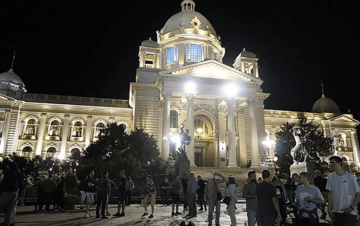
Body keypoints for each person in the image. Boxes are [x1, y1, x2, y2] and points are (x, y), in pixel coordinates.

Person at [326, 156, 360, 226]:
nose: (331, 165)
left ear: (339, 163)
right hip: (336, 211)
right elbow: (330, 193)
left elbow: (358, 194)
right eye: (330, 163)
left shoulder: (350, 177)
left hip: (350, 212)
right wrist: (329, 209)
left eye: (333, 163)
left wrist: (351, 208)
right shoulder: (331, 177)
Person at [0, 162, 23, 226]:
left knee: (1, 206)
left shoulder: (8, 173)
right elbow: (21, 184)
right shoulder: (18, 173)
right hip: (15, 192)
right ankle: (7, 223)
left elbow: (3, 183)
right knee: (9, 210)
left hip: (6, 191)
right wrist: (20, 194)